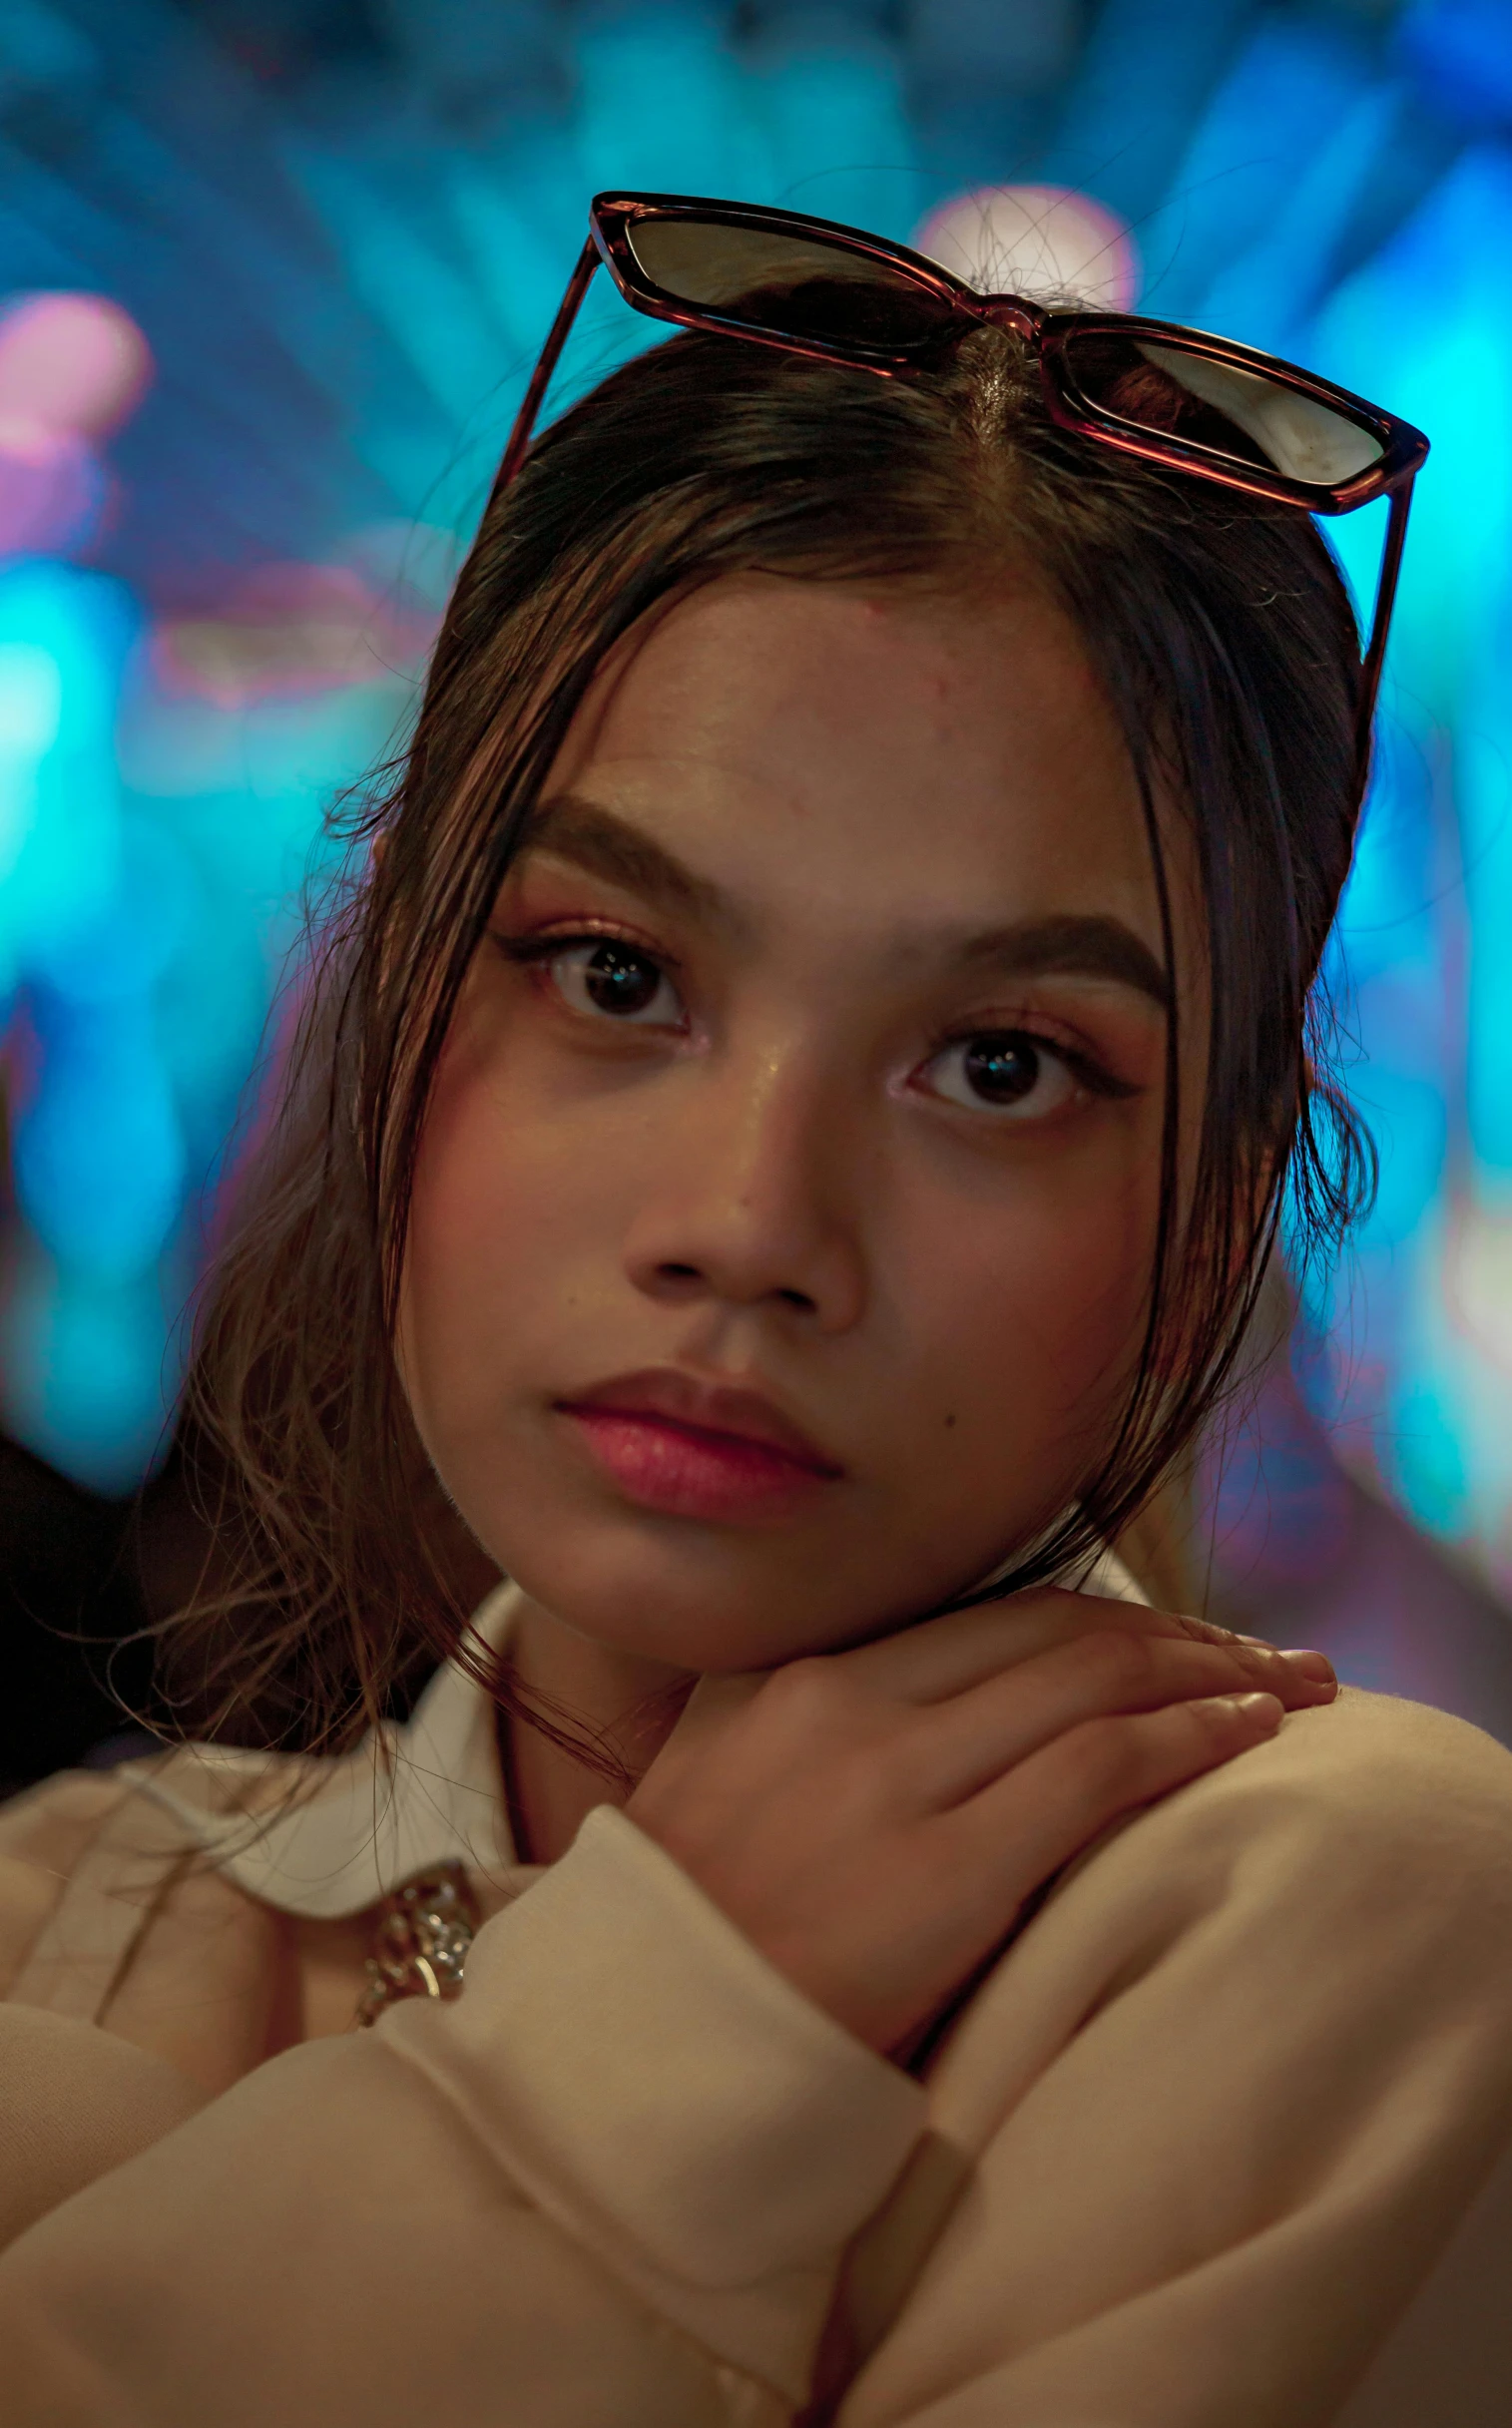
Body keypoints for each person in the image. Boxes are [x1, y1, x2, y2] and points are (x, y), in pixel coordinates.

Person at [2, 197, 1509, 2428]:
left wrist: (635, 2061)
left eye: (999, 1065)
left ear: (1212, 1214)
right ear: (402, 995)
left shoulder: (1340, 1909)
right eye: (617, 975)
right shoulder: (66, 1909)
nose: (749, 1223)